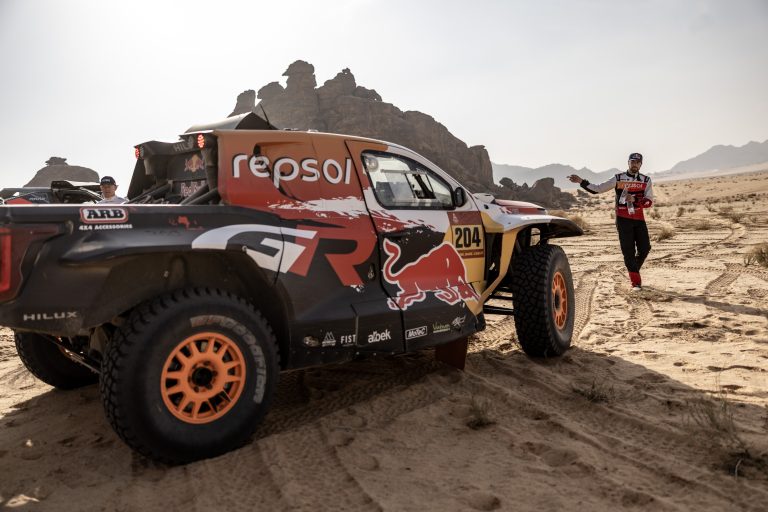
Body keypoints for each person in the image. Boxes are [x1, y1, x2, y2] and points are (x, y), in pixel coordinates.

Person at [568, 152, 654, 291]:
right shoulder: (618, 178)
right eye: (632, 162)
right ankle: (636, 282)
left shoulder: (646, 180)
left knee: (645, 248)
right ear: (628, 163)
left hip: (639, 219)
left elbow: (648, 202)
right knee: (628, 251)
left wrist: (635, 199)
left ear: (641, 164)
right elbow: (597, 189)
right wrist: (581, 181)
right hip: (623, 220)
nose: (635, 164)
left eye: (638, 162)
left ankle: (633, 270)